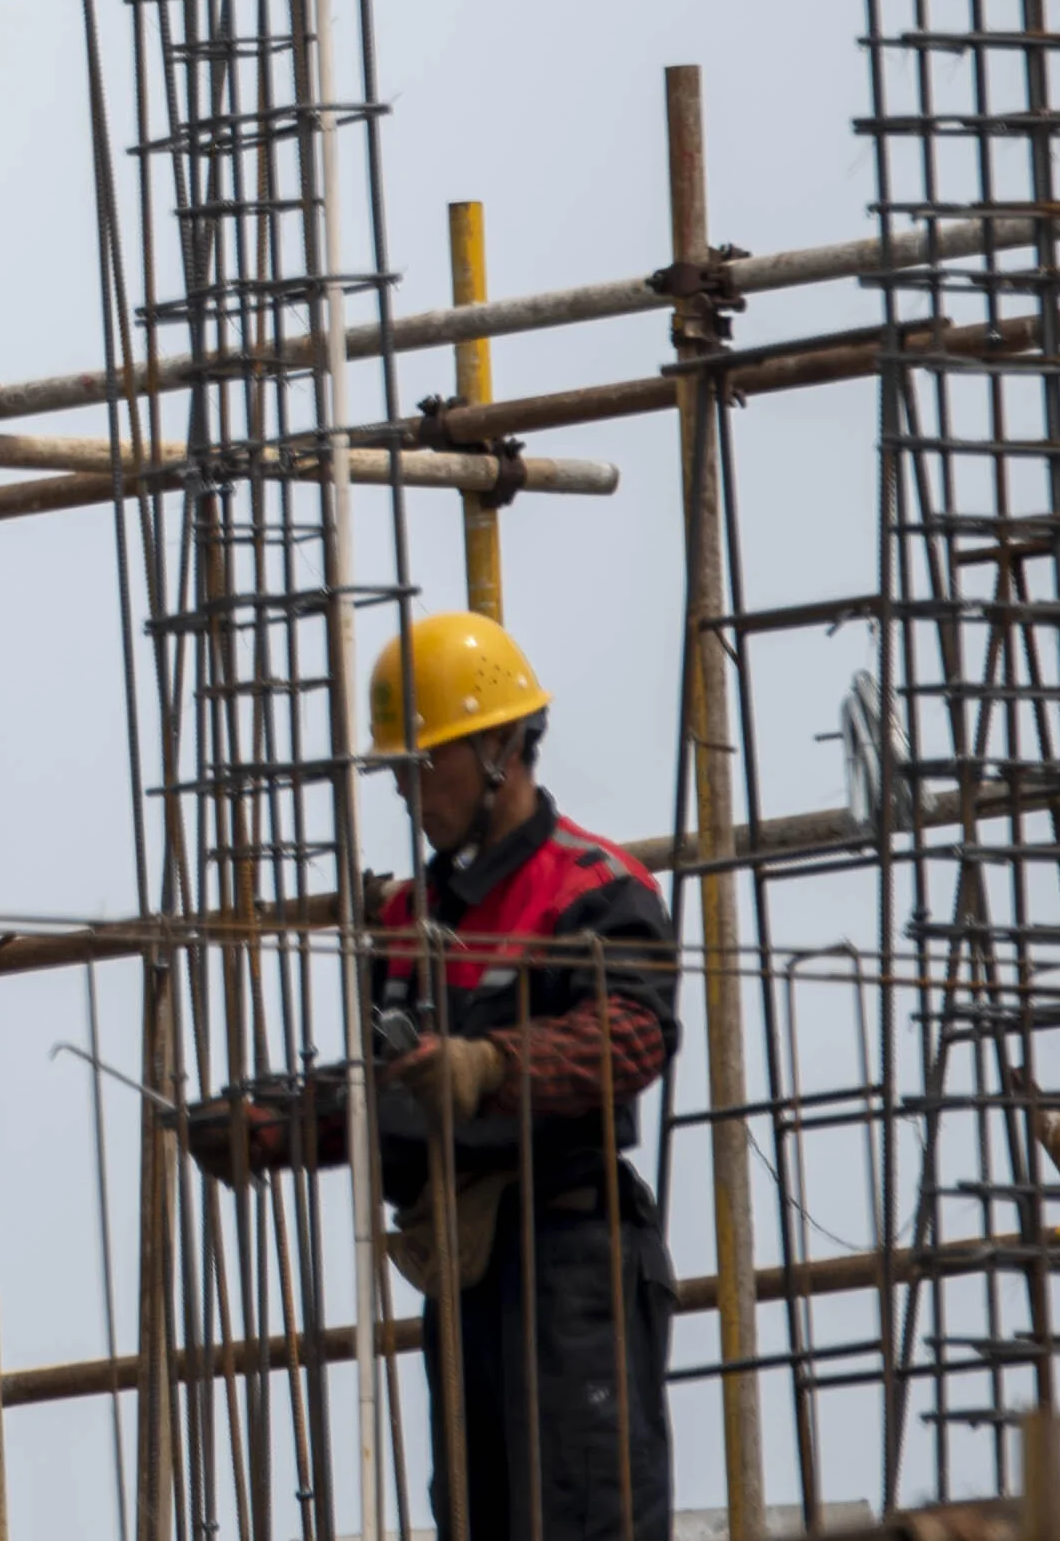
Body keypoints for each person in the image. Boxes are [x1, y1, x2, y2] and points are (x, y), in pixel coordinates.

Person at [174, 611, 682, 1541]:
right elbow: (393, 1089)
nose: (411, 790)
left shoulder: (592, 888)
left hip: (572, 1265)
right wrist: (279, 1129)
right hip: (466, 1271)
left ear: (498, 748)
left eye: (425, 763)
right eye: (399, 768)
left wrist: (490, 1064)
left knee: (582, 1520)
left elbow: (633, 1039)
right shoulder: (410, 918)